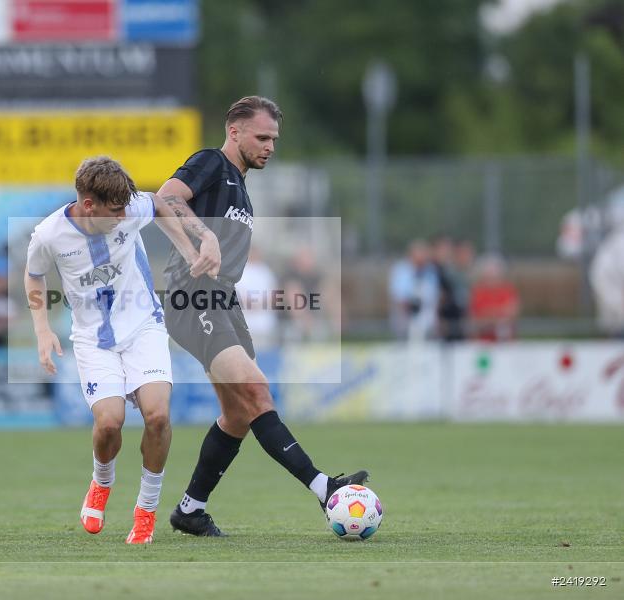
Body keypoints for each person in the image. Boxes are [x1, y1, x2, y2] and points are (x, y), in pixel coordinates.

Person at [157, 96, 368, 537]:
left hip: (223, 302)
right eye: (262, 137)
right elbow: (166, 198)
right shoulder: (211, 162)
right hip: (194, 297)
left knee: (238, 413)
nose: (270, 146)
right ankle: (325, 487)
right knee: (255, 391)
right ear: (234, 131)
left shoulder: (240, 183)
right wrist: (203, 237)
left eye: (274, 139)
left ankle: (190, 510)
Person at [25, 156, 217, 544]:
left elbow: (160, 203)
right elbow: (34, 273)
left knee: (158, 416)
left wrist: (186, 247)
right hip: (94, 341)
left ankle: (145, 510)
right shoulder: (48, 235)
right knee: (109, 422)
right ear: (88, 204)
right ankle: (101, 481)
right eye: (115, 211)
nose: (123, 217)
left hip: (144, 326)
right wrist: (43, 330)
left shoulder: (128, 208)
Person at [388, 239, 440, 341]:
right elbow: (399, 297)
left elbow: (434, 297)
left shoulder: (430, 272)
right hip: (406, 323)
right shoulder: (401, 271)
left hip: (427, 324)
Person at [469, 255, 520, 342]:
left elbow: (512, 312)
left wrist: (490, 314)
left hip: (505, 342)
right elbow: (476, 316)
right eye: (489, 273)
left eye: (494, 272)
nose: (491, 276)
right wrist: (499, 313)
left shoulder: (508, 290)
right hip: (483, 342)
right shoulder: (478, 291)